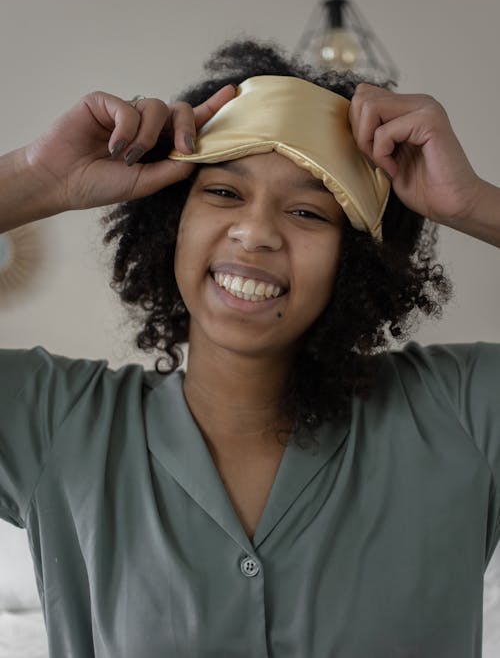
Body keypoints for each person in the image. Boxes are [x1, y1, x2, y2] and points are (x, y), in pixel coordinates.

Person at [0, 38, 499, 658]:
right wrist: (35, 177)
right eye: (224, 193)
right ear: (171, 222)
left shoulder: (464, 415)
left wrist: (474, 202)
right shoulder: (56, 425)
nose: (257, 233)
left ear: (355, 262)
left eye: (309, 213)